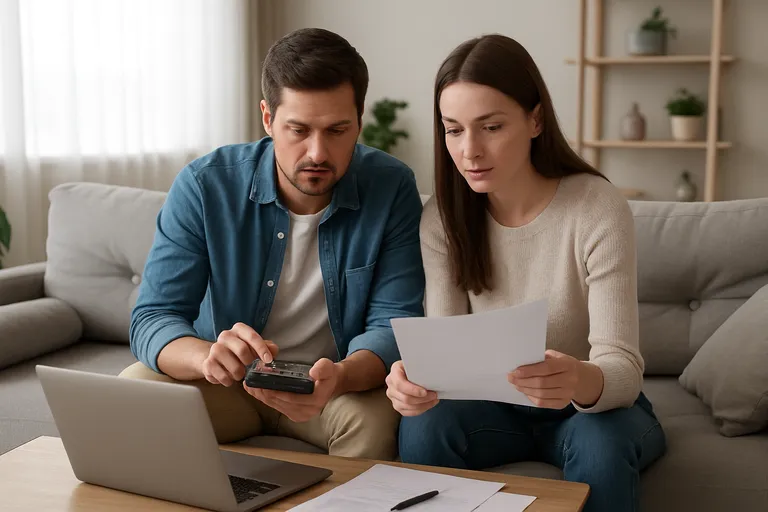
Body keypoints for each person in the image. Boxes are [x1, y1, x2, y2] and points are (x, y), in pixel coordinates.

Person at [385, 34, 666, 511]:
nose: (470, 151)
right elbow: (446, 357)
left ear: (535, 119)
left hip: (593, 412)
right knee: (423, 424)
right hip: (497, 415)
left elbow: (623, 368)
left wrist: (577, 379)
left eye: (490, 126)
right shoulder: (444, 219)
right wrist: (414, 383)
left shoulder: (596, 207)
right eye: (453, 130)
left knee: (601, 446)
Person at [122, 27, 425, 461]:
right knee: (136, 390)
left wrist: (338, 377)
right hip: (227, 385)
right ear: (267, 118)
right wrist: (208, 358)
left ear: (359, 119)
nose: (318, 152)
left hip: (333, 390)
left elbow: (395, 323)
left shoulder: (392, 186)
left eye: (338, 130)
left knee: (375, 425)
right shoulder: (205, 185)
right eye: (298, 130)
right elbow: (153, 317)